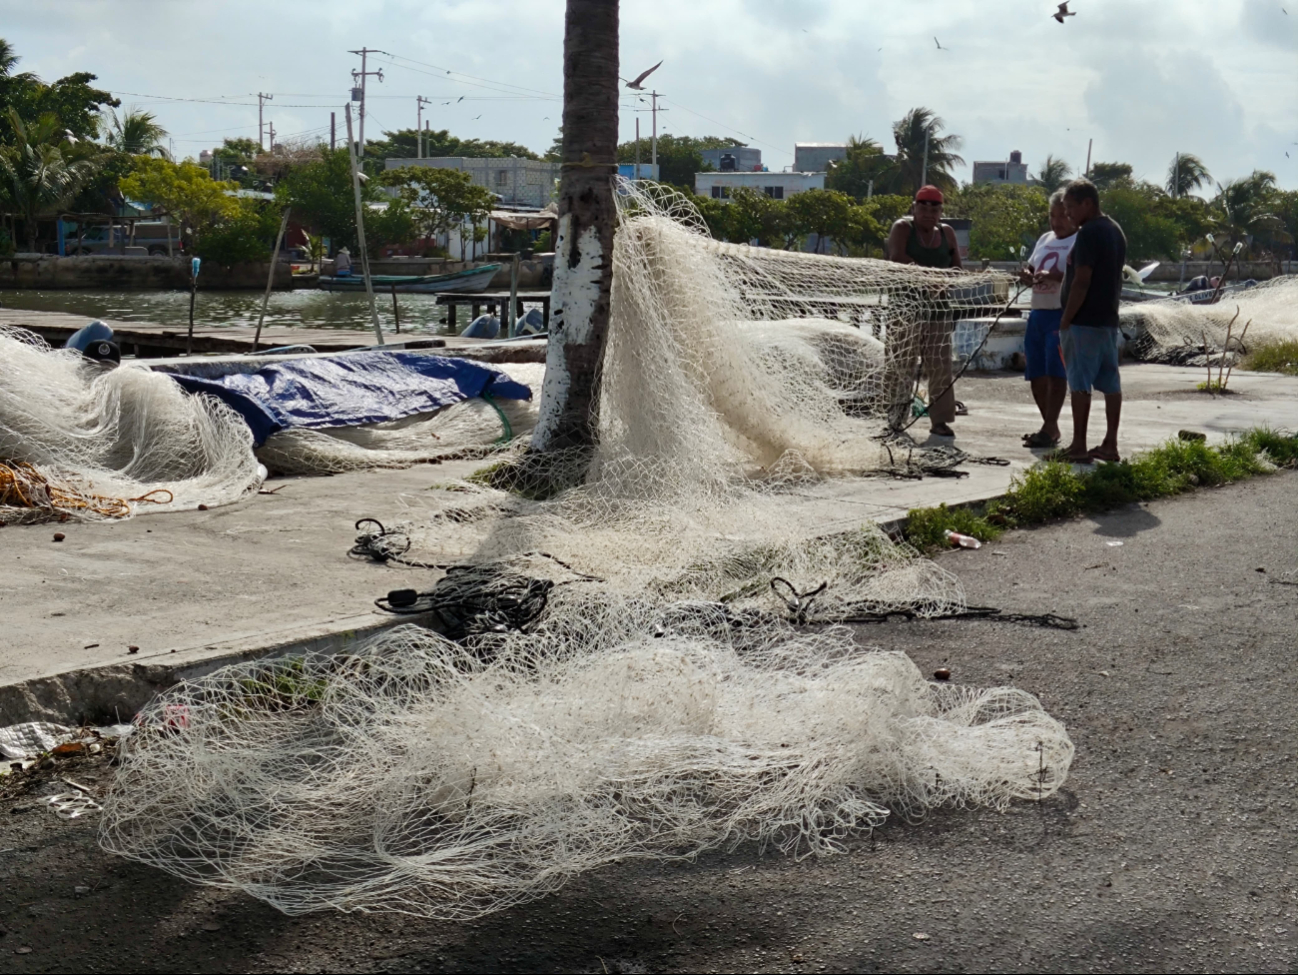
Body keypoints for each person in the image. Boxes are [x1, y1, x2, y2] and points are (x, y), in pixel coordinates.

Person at [886, 185, 963, 438]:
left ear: (941, 211)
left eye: (935, 208)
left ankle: (940, 420)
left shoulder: (947, 233)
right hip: (905, 310)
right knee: (900, 364)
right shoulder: (902, 228)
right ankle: (896, 417)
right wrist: (927, 276)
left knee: (941, 367)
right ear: (914, 207)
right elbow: (897, 257)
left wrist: (946, 280)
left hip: (939, 311)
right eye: (923, 206)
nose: (929, 212)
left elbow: (957, 267)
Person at [1058, 178, 1127, 463]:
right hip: (1108, 318)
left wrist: (1066, 319)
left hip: (1085, 320)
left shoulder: (1088, 233)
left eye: (1071, 207)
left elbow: (1082, 281)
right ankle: (1110, 444)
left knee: (1079, 384)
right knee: (1111, 383)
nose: (1068, 214)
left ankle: (1078, 445)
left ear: (1088, 204)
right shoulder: (1115, 230)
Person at [1018, 190, 1076, 448]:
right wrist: (1027, 275)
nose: (1057, 222)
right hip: (1038, 310)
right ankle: (1049, 426)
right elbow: (1031, 266)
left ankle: (1049, 426)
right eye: (1052, 216)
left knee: (1056, 370)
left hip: (1060, 312)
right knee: (1036, 371)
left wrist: (1056, 277)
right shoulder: (1044, 239)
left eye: (1062, 216)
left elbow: (1082, 278)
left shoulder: (1079, 240)